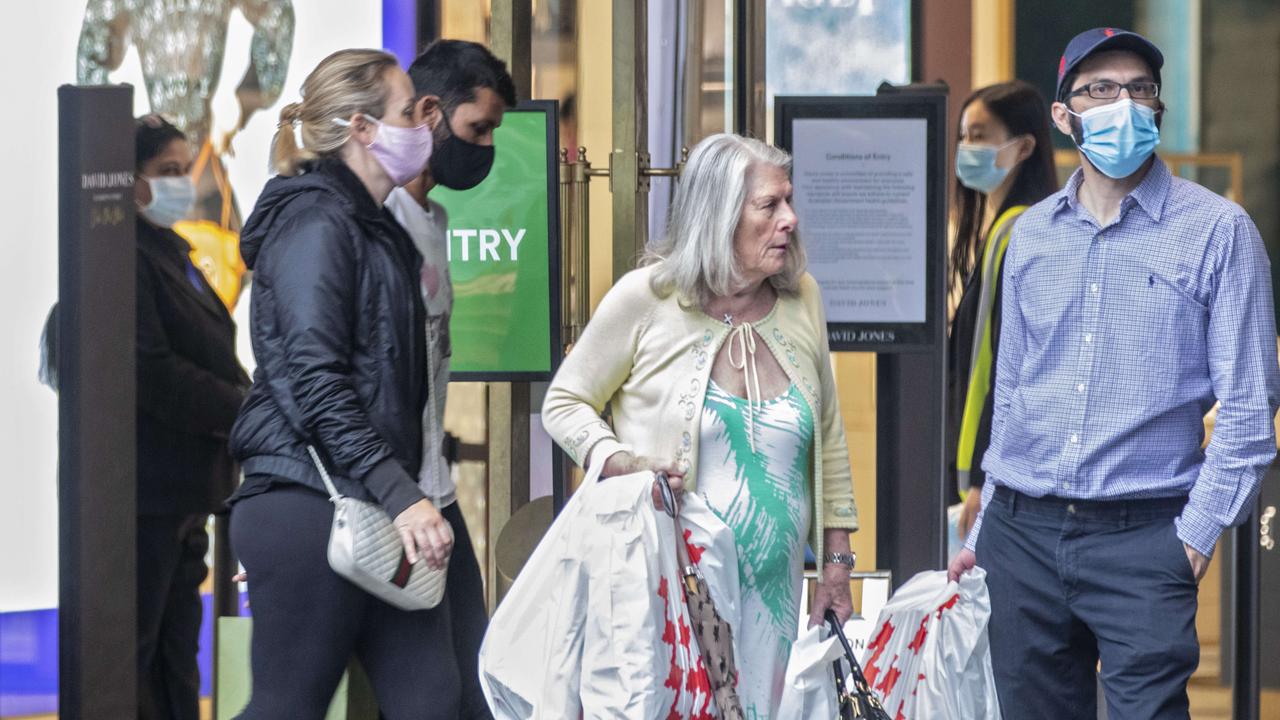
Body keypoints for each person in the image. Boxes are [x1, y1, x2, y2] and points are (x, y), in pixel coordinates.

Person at [948, 28, 1280, 718]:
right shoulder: (1032, 235)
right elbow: (1010, 393)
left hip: (1146, 537)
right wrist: (983, 537)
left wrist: (1192, 541)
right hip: (1021, 537)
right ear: (1065, 117)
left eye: (1139, 89)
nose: (1124, 103)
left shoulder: (1220, 232)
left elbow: (1250, 412)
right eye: (1101, 89)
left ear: (1157, 110)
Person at [543, 133, 860, 719]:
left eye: (789, 201)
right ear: (718, 216)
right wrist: (616, 460)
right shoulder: (648, 298)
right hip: (672, 590)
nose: (790, 219)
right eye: (769, 205)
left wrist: (837, 568)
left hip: (775, 594)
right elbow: (564, 402)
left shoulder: (802, 298)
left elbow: (831, 436)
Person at [226, 49, 457, 719]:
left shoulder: (375, 226)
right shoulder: (316, 222)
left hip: (373, 503)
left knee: (431, 701)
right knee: (287, 706)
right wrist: (403, 495)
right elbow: (316, 382)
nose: (424, 125)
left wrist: (402, 496)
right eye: (410, 110)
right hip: (311, 498)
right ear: (362, 128)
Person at [384, 38, 516, 720]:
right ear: (431, 111)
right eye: (477, 130)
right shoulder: (376, 223)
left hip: (433, 486)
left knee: (475, 681)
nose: (484, 147)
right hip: (387, 490)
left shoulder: (433, 219)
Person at [133, 113, 251, 720]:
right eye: (168, 172)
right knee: (139, 660)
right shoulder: (124, 261)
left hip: (186, 495)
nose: (183, 183)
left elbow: (209, 344)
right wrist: (245, 408)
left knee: (178, 662)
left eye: (187, 170)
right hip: (147, 498)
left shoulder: (175, 251)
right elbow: (153, 372)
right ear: (132, 183)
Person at [946, 81, 1058, 543]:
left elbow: (994, 366)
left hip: (990, 473)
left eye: (979, 135)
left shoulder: (1018, 234)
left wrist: (977, 476)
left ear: (1024, 145)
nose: (966, 149)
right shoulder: (1008, 229)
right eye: (964, 136)